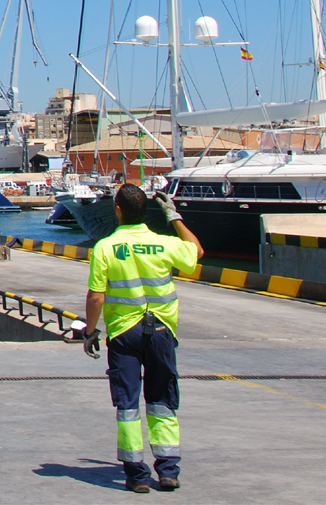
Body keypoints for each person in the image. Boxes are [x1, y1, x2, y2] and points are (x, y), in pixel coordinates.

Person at [83, 183, 203, 493]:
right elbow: (197, 252)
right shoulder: (163, 244)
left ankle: (136, 475)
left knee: (128, 404)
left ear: (118, 211)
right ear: (146, 211)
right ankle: (167, 470)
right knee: (162, 400)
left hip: (123, 334)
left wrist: (90, 331)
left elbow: (96, 297)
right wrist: (174, 216)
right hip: (161, 331)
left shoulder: (105, 247)